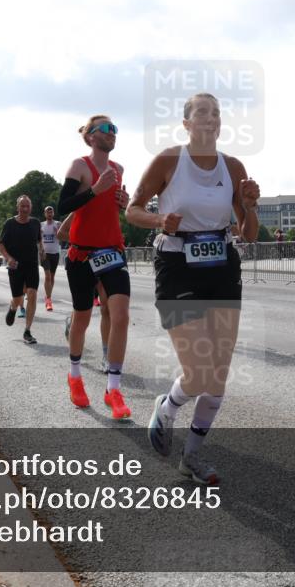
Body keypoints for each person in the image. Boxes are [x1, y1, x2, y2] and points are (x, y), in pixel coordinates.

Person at [127, 92, 260, 485]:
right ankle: (166, 409)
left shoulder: (233, 166)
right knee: (198, 371)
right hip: (177, 265)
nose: (210, 118)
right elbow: (132, 209)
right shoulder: (169, 159)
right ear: (186, 124)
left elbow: (248, 235)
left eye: (216, 113)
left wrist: (250, 206)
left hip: (221, 266)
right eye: (201, 112)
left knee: (218, 373)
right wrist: (160, 219)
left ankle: (193, 457)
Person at [57, 114, 132, 419]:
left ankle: (113, 389)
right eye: (104, 129)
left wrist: (123, 202)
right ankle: (75, 376)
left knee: (121, 316)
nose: (111, 133)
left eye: (114, 128)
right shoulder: (79, 166)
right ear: (90, 137)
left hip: (112, 250)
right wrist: (95, 190)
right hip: (82, 254)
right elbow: (63, 206)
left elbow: (112, 208)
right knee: (83, 318)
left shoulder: (118, 169)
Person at [57, 212, 111, 372]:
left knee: (106, 307)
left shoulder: (108, 208)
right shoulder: (81, 209)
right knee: (83, 309)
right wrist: (85, 239)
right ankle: (72, 324)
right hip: (81, 261)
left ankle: (106, 356)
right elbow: (61, 233)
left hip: (105, 259)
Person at [0, 195, 43, 344]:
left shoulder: (36, 223)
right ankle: (13, 307)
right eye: (22, 206)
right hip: (15, 265)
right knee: (18, 298)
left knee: (32, 293)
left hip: (31, 264)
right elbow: (1, 245)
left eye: (27, 206)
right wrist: (8, 258)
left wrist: (41, 249)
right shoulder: (10, 224)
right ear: (17, 207)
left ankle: (27, 330)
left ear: (31, 207)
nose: (25, 209)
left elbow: (38, 238)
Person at [40, 206, 62, 312]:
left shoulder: (58, 224)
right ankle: (48, 300)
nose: (49, 213)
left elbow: (62, 237)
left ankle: (48, 295)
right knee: (47, 276)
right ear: (44, 214)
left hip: (55, 253)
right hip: (45, 254)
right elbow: (38, 240)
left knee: (52, 277)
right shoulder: (41, 225)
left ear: (53, 213)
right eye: (47, 212)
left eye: (51, 212)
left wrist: (57, 232)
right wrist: (41, 251)